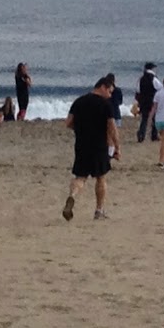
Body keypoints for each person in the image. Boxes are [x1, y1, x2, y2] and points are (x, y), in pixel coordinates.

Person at [63, 74, 120, 222]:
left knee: (80, 177)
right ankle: (99, 210)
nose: (110, 95)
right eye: (109, 91)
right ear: (102, 87)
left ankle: (72, 196)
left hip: (81, 144)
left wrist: (80, 129)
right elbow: (112, 127)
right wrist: (117, 147)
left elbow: (68, 122)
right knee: (101, 177)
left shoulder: (79, 101)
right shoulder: (105, 104)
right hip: (99, 145)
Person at [134, 63, 158, 143]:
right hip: (152, 100)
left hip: (143, 101)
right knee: (154, 118)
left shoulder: (141, 78)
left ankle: (141, 135)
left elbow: (138, 90)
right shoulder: (154, 78)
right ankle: (154, 135)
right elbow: (160, 88)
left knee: (144, 118)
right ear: (152, 69)